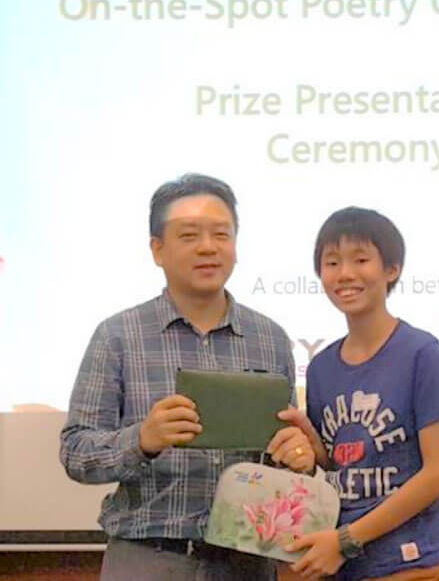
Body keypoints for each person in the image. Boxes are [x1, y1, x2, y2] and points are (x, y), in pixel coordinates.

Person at [60, 173, 315, 581]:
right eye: (189, 235)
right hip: (148, 558)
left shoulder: (270, 338)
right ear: (157, 249)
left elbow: (280, 456)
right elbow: (75, 452)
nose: (208, 247)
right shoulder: (118, 336)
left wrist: (298, 458)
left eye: (221, 234)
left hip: (245, 561)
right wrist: (141, 440)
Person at [274, 207, 439, 580]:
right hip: (343, 566)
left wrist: (346, 540)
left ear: (391, 269)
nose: (345, 273)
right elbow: (341, 463)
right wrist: (308, 443)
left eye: (361, 260)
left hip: (408, 564)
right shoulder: (321, 367)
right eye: (331, 262)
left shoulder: (420, 352)